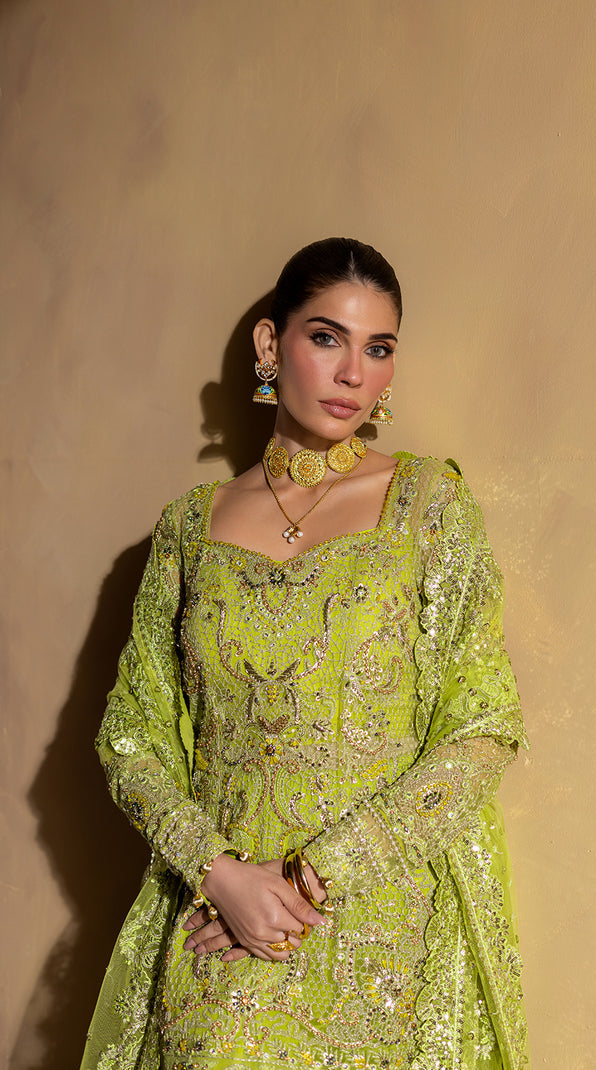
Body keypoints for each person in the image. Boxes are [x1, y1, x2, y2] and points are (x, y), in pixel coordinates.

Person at [81, 237, 529, 1070]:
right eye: (327, 338)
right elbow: (129, 737)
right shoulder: (189, 529)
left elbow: (482, 729)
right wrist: (219, 875)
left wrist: (308, 876)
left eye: (378, 348)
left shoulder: (427, 508)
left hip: (381, 933)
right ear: (269, 344)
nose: (353, 372)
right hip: (220, 931)